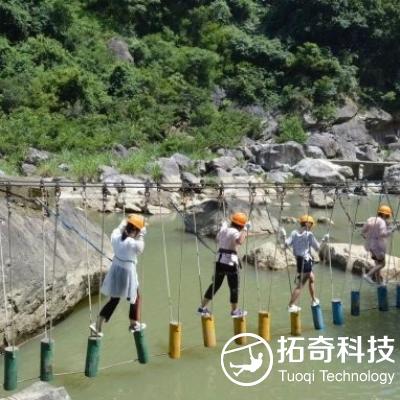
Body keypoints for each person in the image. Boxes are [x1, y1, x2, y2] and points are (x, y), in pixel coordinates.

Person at [90, 214, 147, 337]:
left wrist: (125, 222)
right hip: (127, 274)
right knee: (136, 298)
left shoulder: (116, 238)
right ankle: (133, 323)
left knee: (114, 299)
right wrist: (142, 234)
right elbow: (141, 248)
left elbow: (118, 228)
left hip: (116, 271)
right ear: (136, 231)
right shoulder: (131, 243)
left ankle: (98, 323)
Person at [197, 212, 250, 317]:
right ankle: (234, 311)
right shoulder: (235, 232)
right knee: (234, 287)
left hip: (220, 261)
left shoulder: (223, 230)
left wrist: (224, 227)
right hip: (230, 263)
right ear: (241, 225)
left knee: (215, 285)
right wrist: (245, 230)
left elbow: (218, 238)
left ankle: (202, 307)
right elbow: (240, 241)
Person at [281, 215, 328, 313]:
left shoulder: (294, 233)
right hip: (306, 262)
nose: (311, 227)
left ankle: (314, 299)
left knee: (312, 278)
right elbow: (318, 248)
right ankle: (290, 305)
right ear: (308, 224)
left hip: (299, 261)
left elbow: (285, 245)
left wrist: (284, 235)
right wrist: (324, 240)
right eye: (311, 225)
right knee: (300, 286)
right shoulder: (309, 234)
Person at [361, 205, 398, 285]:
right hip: (378, 247)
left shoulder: (370, 219)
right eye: (387, 216)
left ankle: (378, 282)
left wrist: (369, 238)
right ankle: (368, 275)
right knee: (382, 264)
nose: (387, 218)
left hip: (370, 246)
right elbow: (383, 234)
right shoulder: (381, 222)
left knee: (377, 264)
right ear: (384, 215)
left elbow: (363, 232)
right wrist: (391, 230)